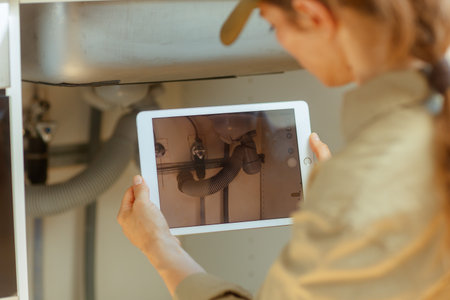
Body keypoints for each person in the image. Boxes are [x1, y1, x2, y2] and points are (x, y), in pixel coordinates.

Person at [117, 0, 450, 299]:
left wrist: (158, 245)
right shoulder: (417, 141)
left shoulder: (362, 181)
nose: (279, 41)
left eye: (272, 24)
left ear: (311, 14)